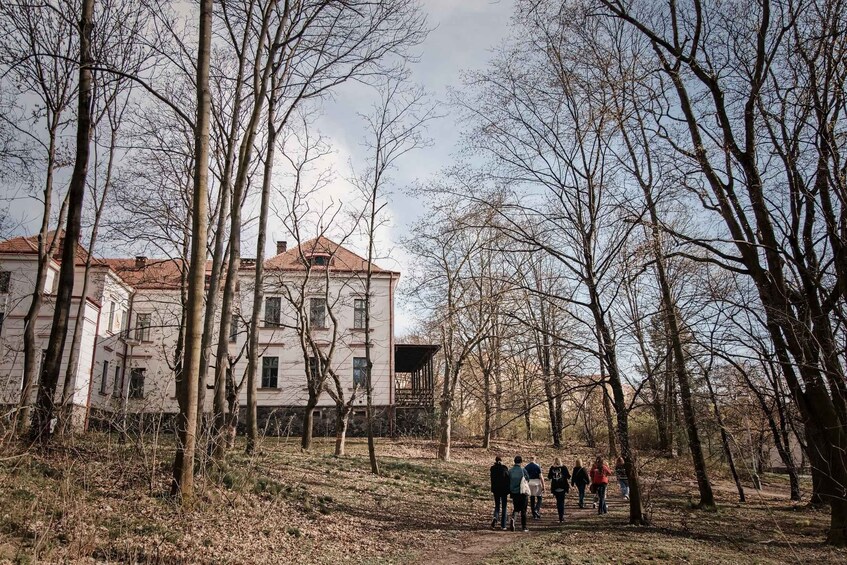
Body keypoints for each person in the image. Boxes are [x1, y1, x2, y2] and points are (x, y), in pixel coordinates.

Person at [508, 455, 530, 532]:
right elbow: (528, 479)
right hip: (522, 492)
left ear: (514, 461)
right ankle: (524, 527)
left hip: (514, 493)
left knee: (516, 508)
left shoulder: (510, 471)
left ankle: (513, 519)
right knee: (523, 510)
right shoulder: (523, 470)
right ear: (521, 462)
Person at [489, 456, 510, 530]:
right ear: (501, 461)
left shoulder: (492, 468)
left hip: (495, 490)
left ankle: (495, 517)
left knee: (497, 506)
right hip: (503, 490)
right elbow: (508, 478)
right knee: (504, 507)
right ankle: (503, 525)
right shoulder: (504, 468)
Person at [547, 457, 571, 523]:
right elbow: (568, 476)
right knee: (562, 502)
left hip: (555, 487)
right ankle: (561, 517)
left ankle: (560, 515)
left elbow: (549, 476)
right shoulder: (563, 468)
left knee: (558, 502)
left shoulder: (552, 468)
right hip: (563, 487)